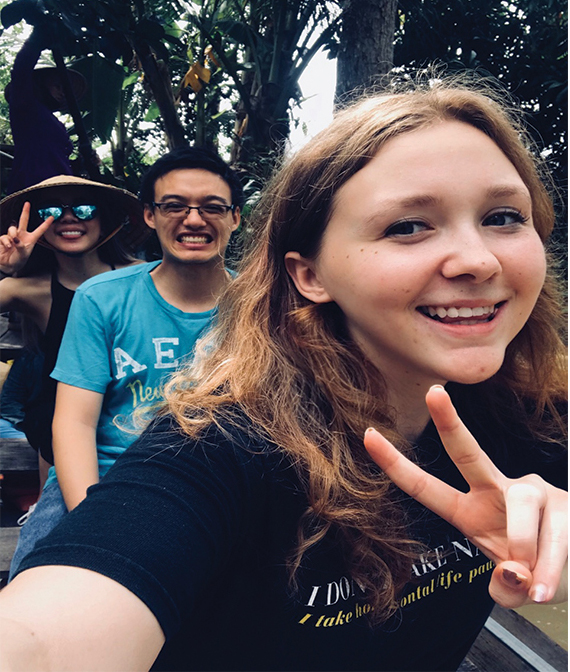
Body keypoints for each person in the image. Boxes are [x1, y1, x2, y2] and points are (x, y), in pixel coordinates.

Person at [0, 79, 567, 672]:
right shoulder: (223, 445)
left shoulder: (537, 420)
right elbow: (50, 630)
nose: (479, 260)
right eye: (407, 226)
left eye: (504, 216)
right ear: (308, 275)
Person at [7, 146, 244, 579]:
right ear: (150, 216)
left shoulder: (258, 305)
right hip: (106, 477)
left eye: (212, 207)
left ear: (235, 218)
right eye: (174, 206)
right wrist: (93, 516)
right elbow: (74, 423)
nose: (193, 220)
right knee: (36, 592)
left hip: (212, 482)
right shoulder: (102, 298)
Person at [0, 175, 147, 482]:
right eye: (51, 210)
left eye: (84, 208)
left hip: (137, 427)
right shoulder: (31, 289)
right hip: (61, 431)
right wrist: (4, 268)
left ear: (104, 219)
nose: (68, 217)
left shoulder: (142, 277)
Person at [4, 26, 87, 194]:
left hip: (58, 189)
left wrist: (82, 162)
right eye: (57, 86)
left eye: (65, 89)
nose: (62, 92)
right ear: (41, 84)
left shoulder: (52, 121)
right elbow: (21, 70)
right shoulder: (25, 107)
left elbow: (57, 161)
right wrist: (36, 40)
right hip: (32, 185)